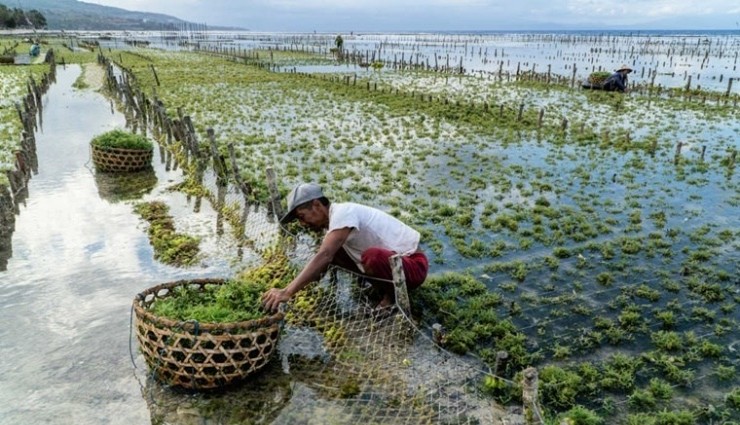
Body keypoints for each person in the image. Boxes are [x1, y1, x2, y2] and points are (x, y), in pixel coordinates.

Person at [261, 183, 428, 312]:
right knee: (336, 252)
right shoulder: (334, 222)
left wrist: (287, 291)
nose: (303, 223)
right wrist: (306, 284)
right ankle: (379, 286)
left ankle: (392, 298)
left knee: (371, 256)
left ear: (317, 205)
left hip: (413, 265)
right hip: (395, 264)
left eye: (302, 217)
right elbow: (327, 256)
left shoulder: (343, 213)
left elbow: (324, 255)